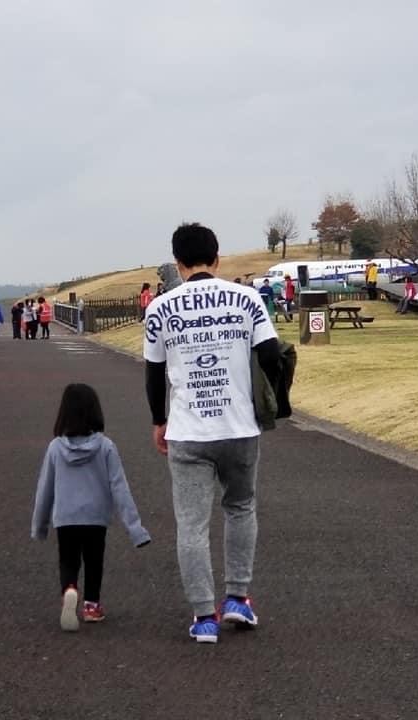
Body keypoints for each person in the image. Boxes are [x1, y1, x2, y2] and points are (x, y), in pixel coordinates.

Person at [144, 223, 281, 644]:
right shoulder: (247, 298)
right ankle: (238, 597)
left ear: (178, 263)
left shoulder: (160, 308)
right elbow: (271, 354)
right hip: (239, 425)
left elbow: (153, 373)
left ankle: (204, 615)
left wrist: (159, 420)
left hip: (188, 428)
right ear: (217, 258)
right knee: (240, 507)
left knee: (192, 524)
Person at [31, 383, 151, 632]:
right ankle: (91, 605)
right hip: (96, 517)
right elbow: (120, 488)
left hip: (65, 517)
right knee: (94, 561)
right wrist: (136, 529)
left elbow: (45, 489)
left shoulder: (55, 448)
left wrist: (39, 526)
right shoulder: (106, 447)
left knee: (68, 560)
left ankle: (69, 589)